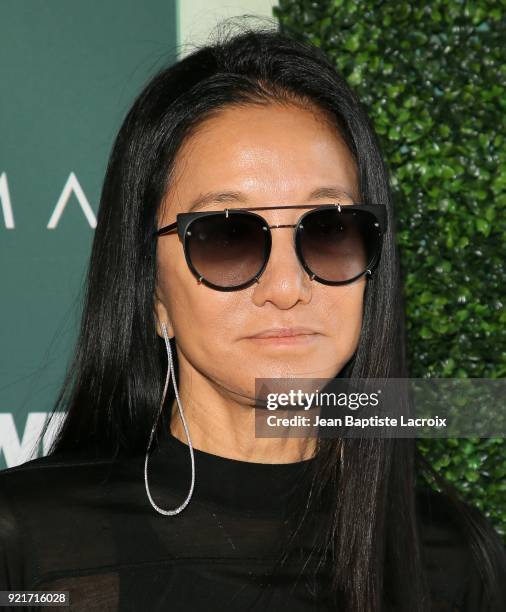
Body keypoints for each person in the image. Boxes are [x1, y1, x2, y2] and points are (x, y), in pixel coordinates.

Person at [1, 21, 505, 612]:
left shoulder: (453, 562)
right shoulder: (29, 549)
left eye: (329, 230)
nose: (287, 287)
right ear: (152, 293)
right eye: (227, 237)